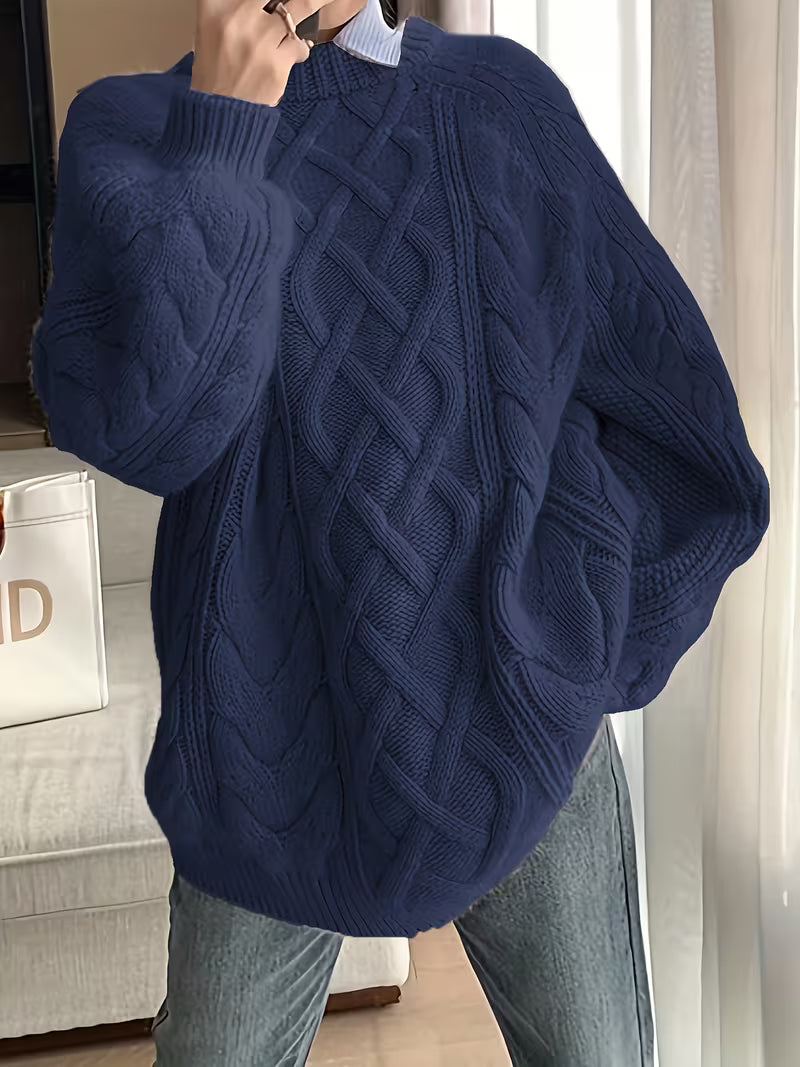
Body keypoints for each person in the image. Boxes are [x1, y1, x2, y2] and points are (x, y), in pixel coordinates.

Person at [30, 1, 769, 1064]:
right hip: (263, 758)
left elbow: (679, 429)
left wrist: (582, 651)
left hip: (528, 726)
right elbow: (152, 434)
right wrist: (223, 136)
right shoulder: (134, 130)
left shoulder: (502, 103)